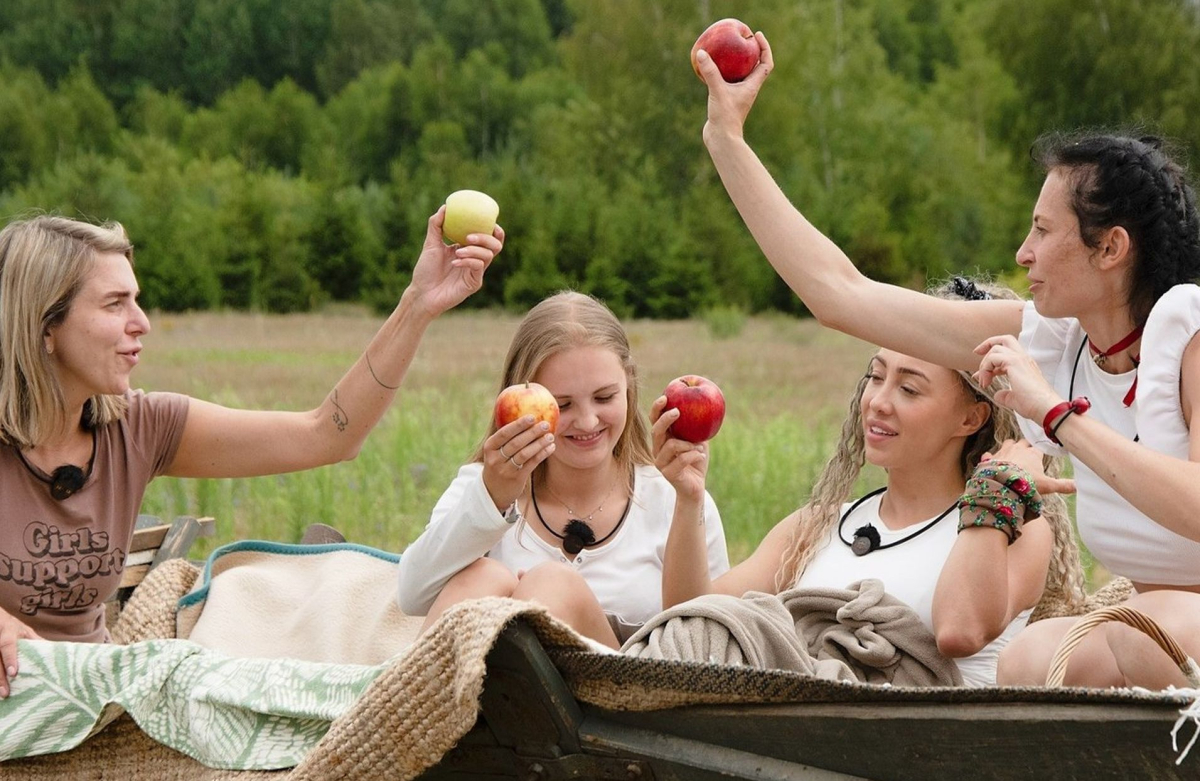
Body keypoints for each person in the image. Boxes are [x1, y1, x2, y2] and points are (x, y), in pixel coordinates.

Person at [693, 34, 1200, 688]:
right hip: (1153, 626)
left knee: (1141, 638)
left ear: (1111, 249)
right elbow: (842, 295)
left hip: (1182, 628)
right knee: (1027, 660)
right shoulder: (1059, 341)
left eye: (1043, 232)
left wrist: (1054, 415)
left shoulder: (1187, 330)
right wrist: (726, 138)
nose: (1023, 253)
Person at [0, 208, 504, 697]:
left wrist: (419, 303)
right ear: (45, 326)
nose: (142, 322)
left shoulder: (138, 427)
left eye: (137, 300)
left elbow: (328, 434)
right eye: (114, 304)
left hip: (88, 699)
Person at [655, 281, 1082, 686]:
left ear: (971, 418)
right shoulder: (818, 525)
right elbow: (694, 623)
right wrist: (688, 497)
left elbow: (960, 631)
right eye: (876, 377)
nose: (878, 402)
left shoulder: (1016, 528)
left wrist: (996, 490)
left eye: (909, 389)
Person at [397, 291, 730, 648]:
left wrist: (689, 500)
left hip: (622, 695)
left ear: (629, 387)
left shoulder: (669, 496)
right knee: (481, 576)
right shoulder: (485, 486)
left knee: (553, 585)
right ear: (520, 398)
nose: (587, 421)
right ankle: (414, 700)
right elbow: (412, 593)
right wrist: (492, 498)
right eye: (562, 404)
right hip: (492, 694)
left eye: (604, 398)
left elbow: (701, 646)